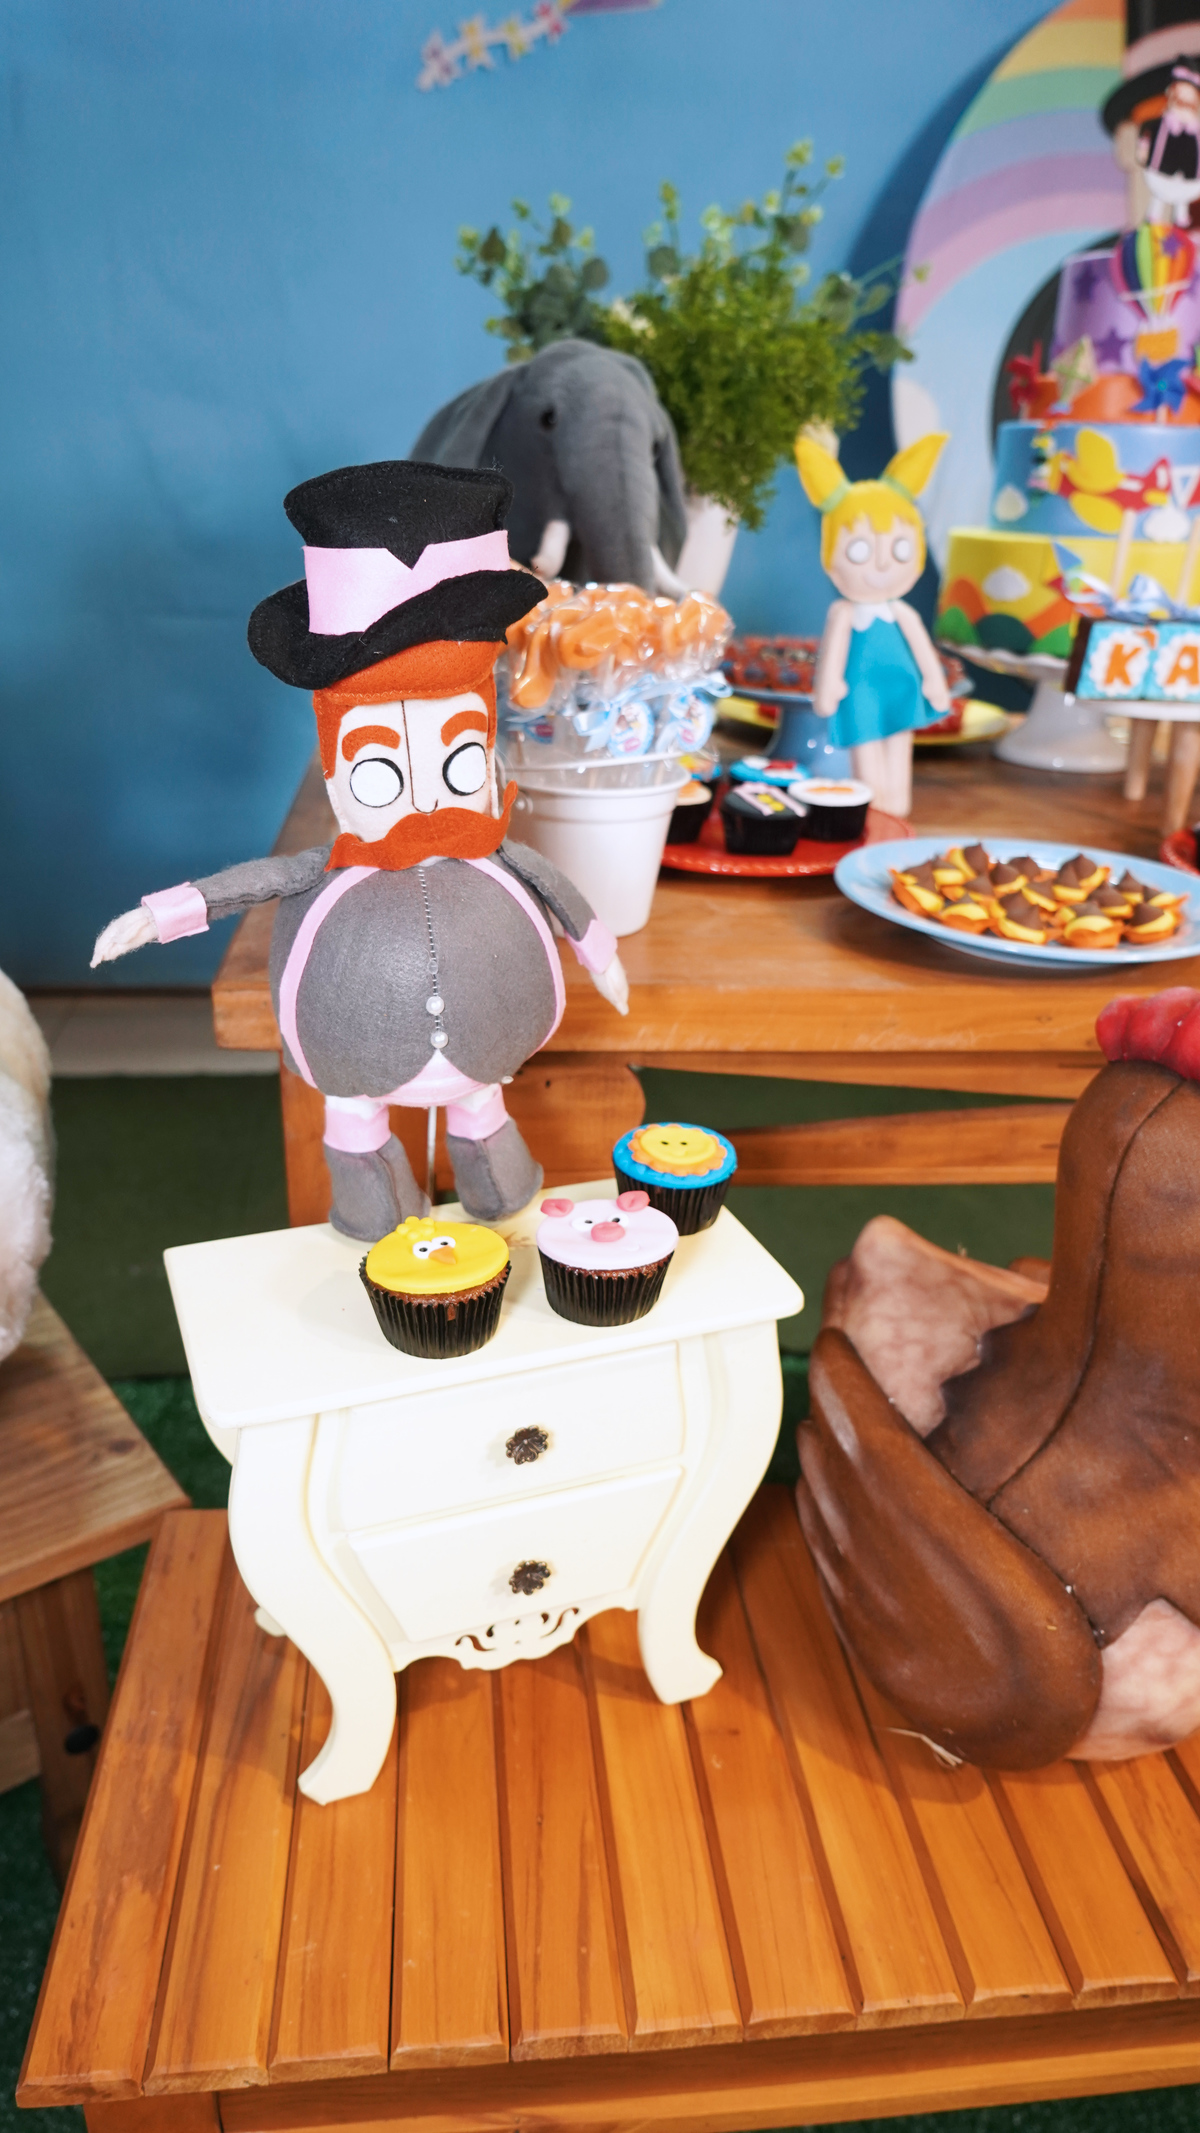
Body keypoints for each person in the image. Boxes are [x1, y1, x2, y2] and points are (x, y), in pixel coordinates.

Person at [93, 459, 629, 1240]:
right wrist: (165, 913)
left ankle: (495, 1175)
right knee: (352, 1116)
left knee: (482, 1103)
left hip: (488, 1041)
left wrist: (597, 948)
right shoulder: (339, 865)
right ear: (337, 760)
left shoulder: (490, 845)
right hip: (350, 1052)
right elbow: (255, 882)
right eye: (379, 769)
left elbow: (551, 887)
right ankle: (372, 1199)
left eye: (461, 757)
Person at [795, 431, 951, 818]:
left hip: (901, 687)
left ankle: (898, 808)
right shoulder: (843, 613)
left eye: (899, 548)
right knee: (866, 750)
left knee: (900, 747)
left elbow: (922, 650)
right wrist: (828, 687)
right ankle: (877, 813)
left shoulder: (904, 613)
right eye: (860, 550)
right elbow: (833, 656)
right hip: (861, 692)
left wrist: (934, 682)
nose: (882, 563)